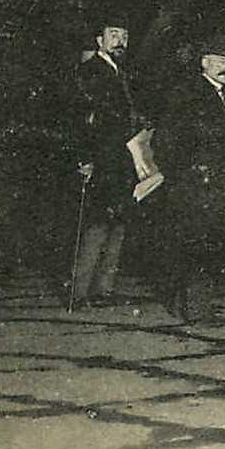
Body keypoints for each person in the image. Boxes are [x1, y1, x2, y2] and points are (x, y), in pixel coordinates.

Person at [152, 37, 225, 324]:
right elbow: (164, 139)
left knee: (209, 244)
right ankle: (195, 309)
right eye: (219, 61)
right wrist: (186, 172)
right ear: (204, 62)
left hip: (216, 183)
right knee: (196, 246)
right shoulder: (188, 93)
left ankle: (197, 305)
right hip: (194, 184)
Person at [68, 20, 140, 309]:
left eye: (124, 35)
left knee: (118, 224)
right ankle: (80, 291)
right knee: (97, 224)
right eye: (113, 35)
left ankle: (103, 288)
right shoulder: (89, 73)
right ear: (100, 40)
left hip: (123, 159)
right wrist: (84, 159)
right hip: (101, 159)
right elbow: (80, 120)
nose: (120, 40)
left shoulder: (122, 71)